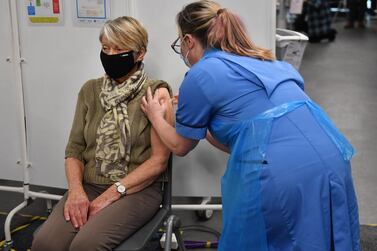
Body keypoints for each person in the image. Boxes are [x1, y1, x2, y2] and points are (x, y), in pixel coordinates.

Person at [141, 1, 360, 250]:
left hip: (281, 175)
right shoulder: (267, 61)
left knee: (261, 241)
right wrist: (200, 115)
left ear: (189, 41)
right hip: (332, 158)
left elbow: (180, 145)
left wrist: (155, 115)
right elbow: (248, 138)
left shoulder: (201, 74)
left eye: (179, 43)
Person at [32, 16, 173, 251]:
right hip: (89, 185)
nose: (110, 55)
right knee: (45, 243)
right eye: (105, 48)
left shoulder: (156, 92)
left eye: (119, 49)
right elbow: (74, 149)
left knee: (85, 246)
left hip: (137, 190)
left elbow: (158, 162)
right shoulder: (90, 90)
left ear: (140, 54)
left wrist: (111, 194)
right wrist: (76, 191)